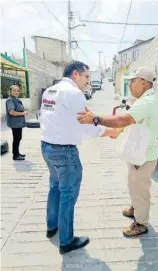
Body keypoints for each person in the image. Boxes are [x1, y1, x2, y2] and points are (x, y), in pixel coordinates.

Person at [40, 61, 118, 254]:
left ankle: (52, 227)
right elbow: (87, 125)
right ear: (75, 74)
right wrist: (110, 132)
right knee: (68, 194)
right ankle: (66, 241)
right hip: (64, 152)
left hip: (46, 146)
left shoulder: (50, 91)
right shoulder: (74, 94)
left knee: (55, 187)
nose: (87, 82)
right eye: (86, 77)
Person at [77, 67, 158, 237]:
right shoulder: (146, 100)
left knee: (140, 188)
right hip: (139, 152)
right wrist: (117, 131)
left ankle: (141, 222)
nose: (129, 85)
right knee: (133, 183)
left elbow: (123, 119)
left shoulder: (147, 102)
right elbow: (132, 121)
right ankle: (136, 208)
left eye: (132, 81)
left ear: (143, 83)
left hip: (143, 156)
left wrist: (96, 119)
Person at [6, 85, 28, 161]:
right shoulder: (10, 100)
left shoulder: (16, 99)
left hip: (18, 124)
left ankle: (17, 153)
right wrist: (23, 113)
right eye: (14, 90)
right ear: (10, 91)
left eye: (17, 90)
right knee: (16, 138)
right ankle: (15, 155)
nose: (16, 92)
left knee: (18, 138)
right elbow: (11, 112)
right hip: (15, 124)